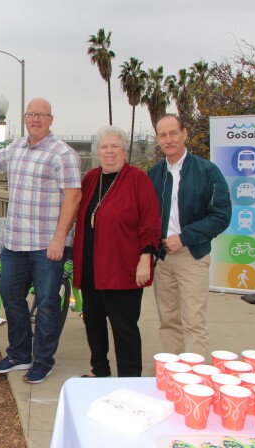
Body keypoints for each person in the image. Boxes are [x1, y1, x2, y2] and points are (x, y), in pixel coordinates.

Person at [0, 98, 82, 384]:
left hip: (46, 245)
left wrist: (60, 238)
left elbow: (73, 196)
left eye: (41, 114)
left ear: (51, 119)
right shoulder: (16, 148)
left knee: (47, 304)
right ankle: (20, 354)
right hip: (15, 243)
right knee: (11, 298)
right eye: (31, 114)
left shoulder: (63, 154)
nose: (36, 119)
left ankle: (43, 361)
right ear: (25, 118)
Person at [72, 126, 161, 378]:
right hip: (91, 267)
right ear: (97, 151)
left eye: (115, 146)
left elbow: (151, 222)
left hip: (122, 268)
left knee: (124, 327)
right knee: (93, 322)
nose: (109, 151)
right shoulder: (90, 179)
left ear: (124, 151)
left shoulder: (138, 180)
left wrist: (146, 257)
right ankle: (99, 370)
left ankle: (130, 378)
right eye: (104, 146)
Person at [148, 114, 231, 356]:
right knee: (168, 321)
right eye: (162, 135)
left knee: (194, 323)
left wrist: (184, 237)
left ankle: (194, 380)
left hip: (192, 256)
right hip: (162, 259)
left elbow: (221, 216)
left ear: (185, 134)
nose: (168, 139)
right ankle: (173, 373)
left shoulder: (207, 171)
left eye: (173, 133)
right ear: (158, 140)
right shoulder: (154, 174)